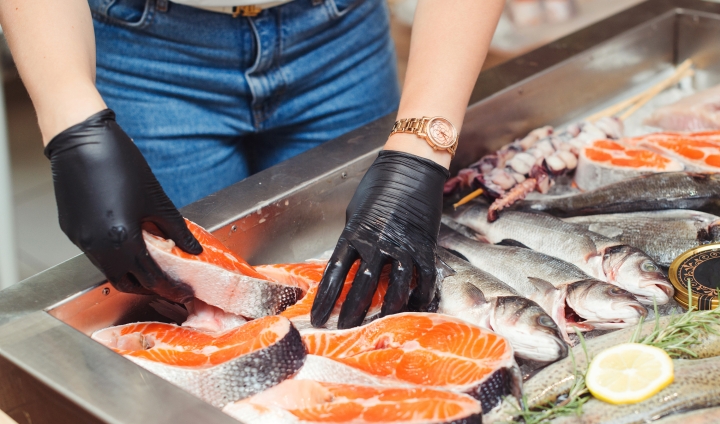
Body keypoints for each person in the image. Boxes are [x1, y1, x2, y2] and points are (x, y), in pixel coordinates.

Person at [0, 0, 504, 322]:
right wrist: (71, 119)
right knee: (186, 314)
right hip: (143, 49)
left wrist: (424, 145)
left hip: (340, 35)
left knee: (374, 300)